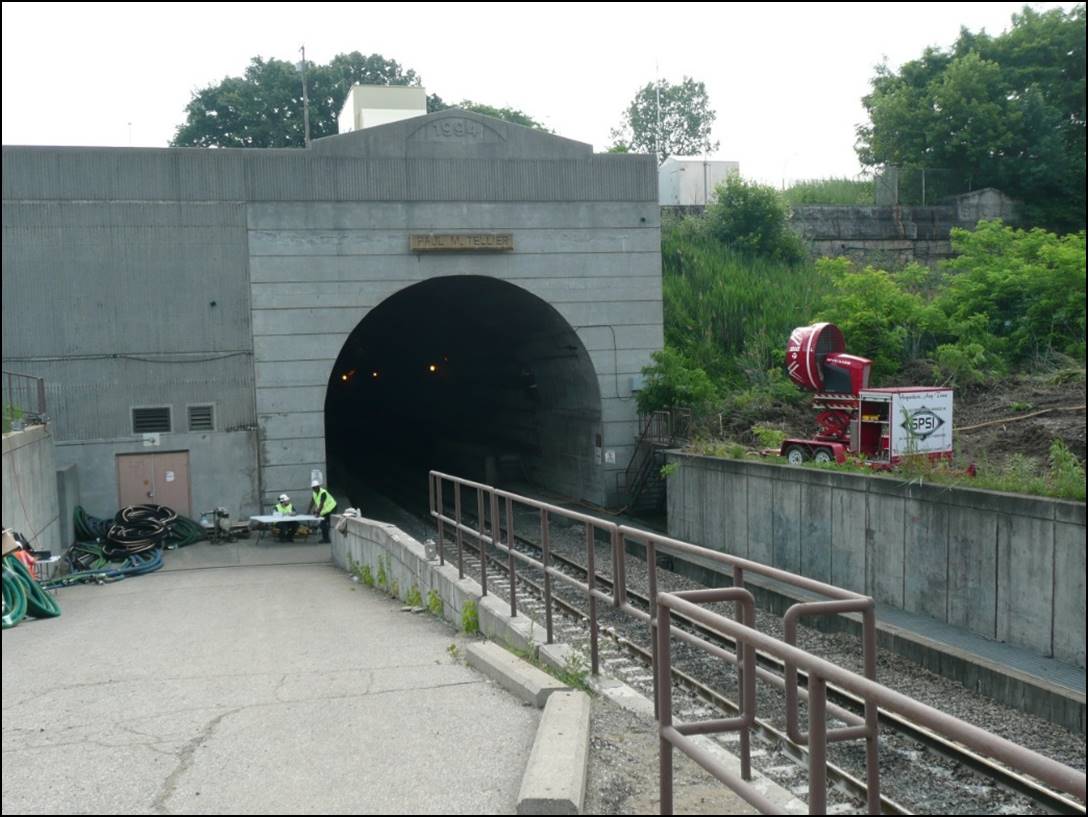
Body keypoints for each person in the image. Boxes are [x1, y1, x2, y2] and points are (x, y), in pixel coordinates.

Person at [308, 479, 337, 543]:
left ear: (319, 486)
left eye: (316, 487)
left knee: (325, 524)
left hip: (332, 508)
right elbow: (312, 502)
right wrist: (309, 510)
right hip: (325, 510)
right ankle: (326, 539)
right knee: (323, 524)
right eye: (314, 488)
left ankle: (327, 539)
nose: (315, 489)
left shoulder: (323, 492)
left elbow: (321, 504)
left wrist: (317, 512)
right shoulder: (314, 493)